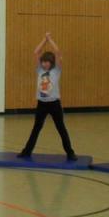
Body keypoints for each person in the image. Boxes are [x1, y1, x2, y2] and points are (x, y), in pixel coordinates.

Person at [19, 33, 76, 161]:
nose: (44, 64)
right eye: (43, 62)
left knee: (61, 128)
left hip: (54, 103)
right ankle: (27, 151)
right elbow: (36, 52)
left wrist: (50, 40)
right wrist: (44, 40)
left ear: (51, 63)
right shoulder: (39, 70)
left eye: (47, 62)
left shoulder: (56, 71)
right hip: (42, 104)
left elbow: (58, 52)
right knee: (36, 128)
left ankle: (70, 152)